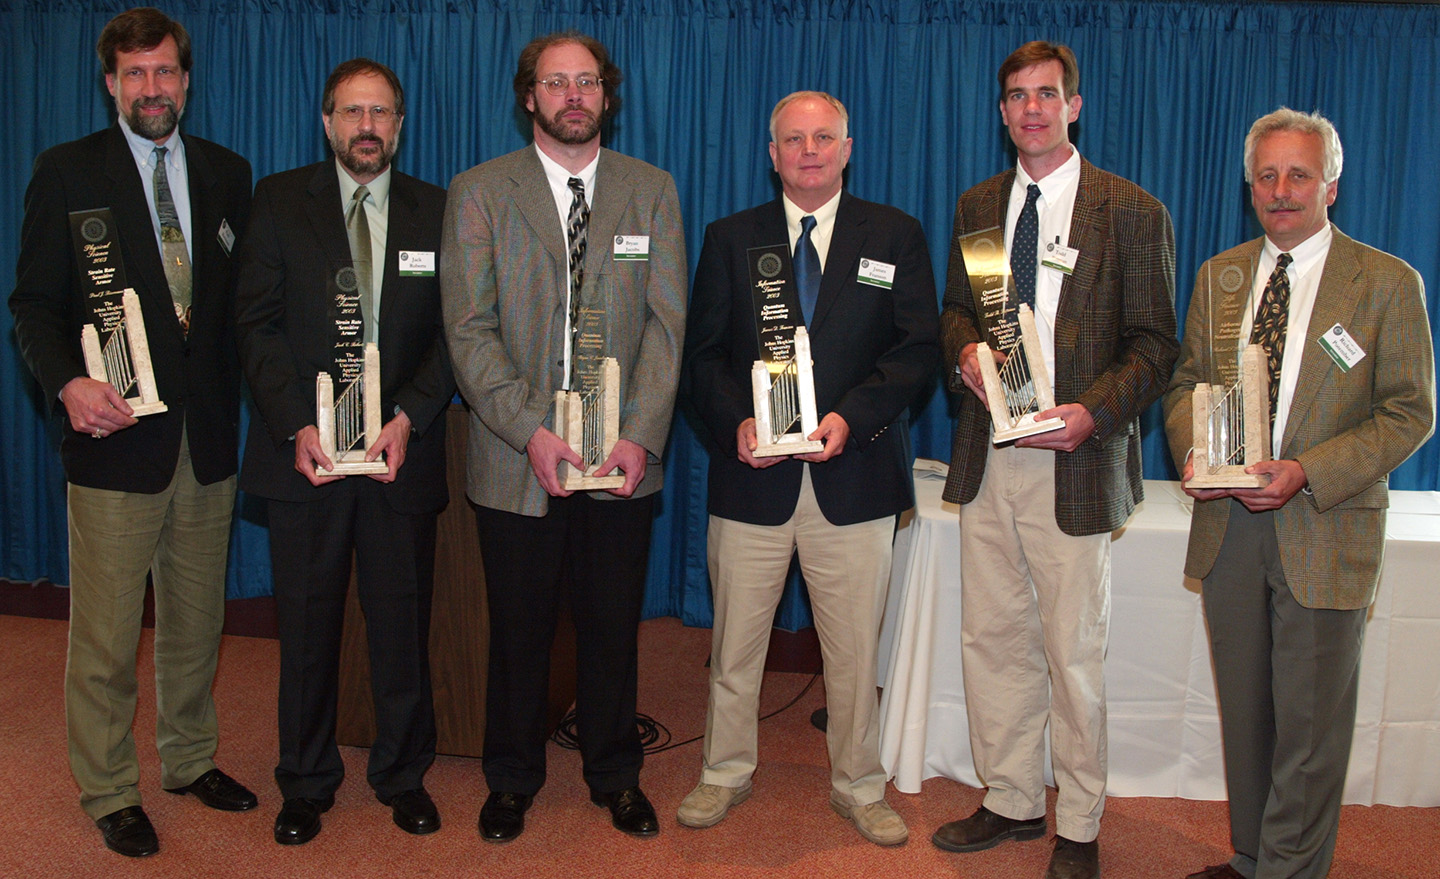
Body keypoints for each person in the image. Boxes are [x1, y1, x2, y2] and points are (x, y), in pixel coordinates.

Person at [8, 6, 256, 858]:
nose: (153, 88)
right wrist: (66, 382)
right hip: (115, 439)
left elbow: (233, 317)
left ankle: (188, 760)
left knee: (196, 622)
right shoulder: (67, 171)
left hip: (210, 440)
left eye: (166, 72)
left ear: (186, 81)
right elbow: (32, 305)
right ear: (111, 82)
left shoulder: (229, 173)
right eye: (135, 73)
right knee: (108, 635)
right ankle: (110, 788)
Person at [1164, 108, 1434, 879]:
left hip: (1325, 521)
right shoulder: (1220, 275)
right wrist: (1197, 450)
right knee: (1248, 715)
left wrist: (1307, 469)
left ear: (1331, 186)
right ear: (1250, 185)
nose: (1281, 190)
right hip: (1229, 524)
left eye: (1299, 174)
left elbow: (1410, 411)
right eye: (1267, 175)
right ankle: (1255, 857)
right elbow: (1185, 384)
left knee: (1310, 727)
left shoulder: (1384, 282)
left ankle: (1289, 871)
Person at [933, 41, 1178, 879]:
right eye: (1016, 96)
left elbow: (1156, 346)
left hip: (1076, 460)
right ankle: (1010, 797)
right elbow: (956, 311)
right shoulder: (977, 204)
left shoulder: (1132, 211)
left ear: (1075, 105)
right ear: (1001, 111)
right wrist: (964, 353)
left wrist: (1093, 412)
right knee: (992, 638)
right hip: (989, 454)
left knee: (1072, 651)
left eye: (1047, 94)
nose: (1031, 109)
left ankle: (1079, 819)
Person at [440, 30, 686, 842]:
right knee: (518, 627)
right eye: (556, 83)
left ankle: (615, 774)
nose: (572, 96)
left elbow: (666, 329)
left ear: (607, 95)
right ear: (529, 97)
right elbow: (468, 330)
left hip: (620, 461)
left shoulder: (651, 190)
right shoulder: (479, 191)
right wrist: (529, 431)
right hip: (520, 459)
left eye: (586, 82)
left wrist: (641, 436)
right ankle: (510, 778)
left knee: (613, 624)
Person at [679, 91, 937, 846]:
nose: (810, 150)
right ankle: (724, 771)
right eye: (794, 139)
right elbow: (701, 358)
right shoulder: (733, 237)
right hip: (753, 477)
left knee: (856, 650)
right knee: (734, 646)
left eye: (824, 137)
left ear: (848, 147)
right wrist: (737, 422)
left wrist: (852, 417)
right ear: (773, 154)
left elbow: (916, 349)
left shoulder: (895, 234)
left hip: (853, 476)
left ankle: (860, 784)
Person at [234, 58, 453, 846]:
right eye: (353, 111)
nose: (368, 126)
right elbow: (253, 324)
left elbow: (453, 336)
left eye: (382, 112)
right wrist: (297, 421)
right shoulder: (278, 200)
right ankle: (306, 780)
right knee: (307, 625)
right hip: (308, 461)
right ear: (326, 121)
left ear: (400, 125)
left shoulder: (437, 209)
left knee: (400, 623)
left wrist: (411, 417)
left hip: (399, 455)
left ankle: (402, 774)